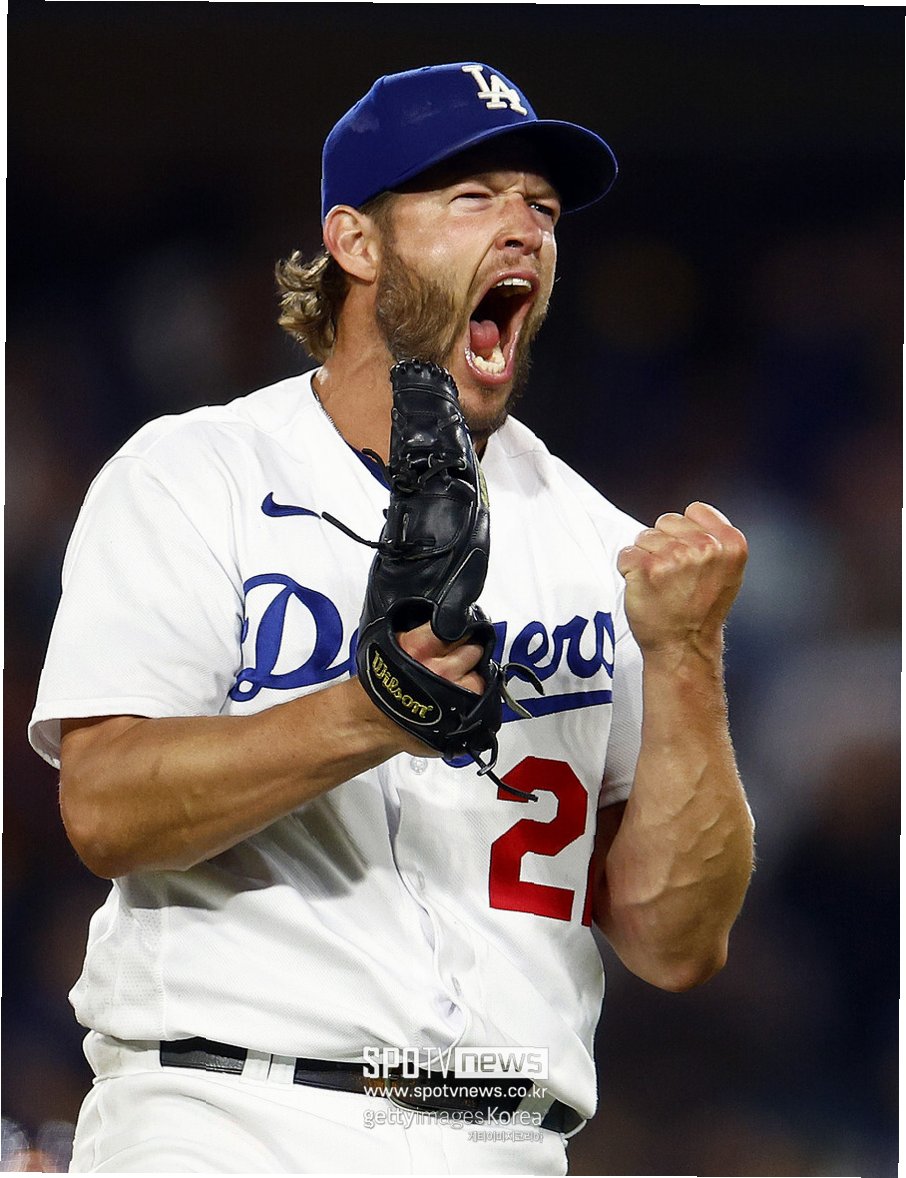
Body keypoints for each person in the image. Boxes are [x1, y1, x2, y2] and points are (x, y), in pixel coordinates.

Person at [29, 62, 755, 1175]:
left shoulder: (598, 545)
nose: (523, 228)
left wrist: (689, 655)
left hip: (501, 1135)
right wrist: (365, 715)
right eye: (472, 197)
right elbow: (105, 807)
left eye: (542, 206)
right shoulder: (196, 475)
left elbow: (676, 942)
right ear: (355, 242)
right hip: (225, 1113)